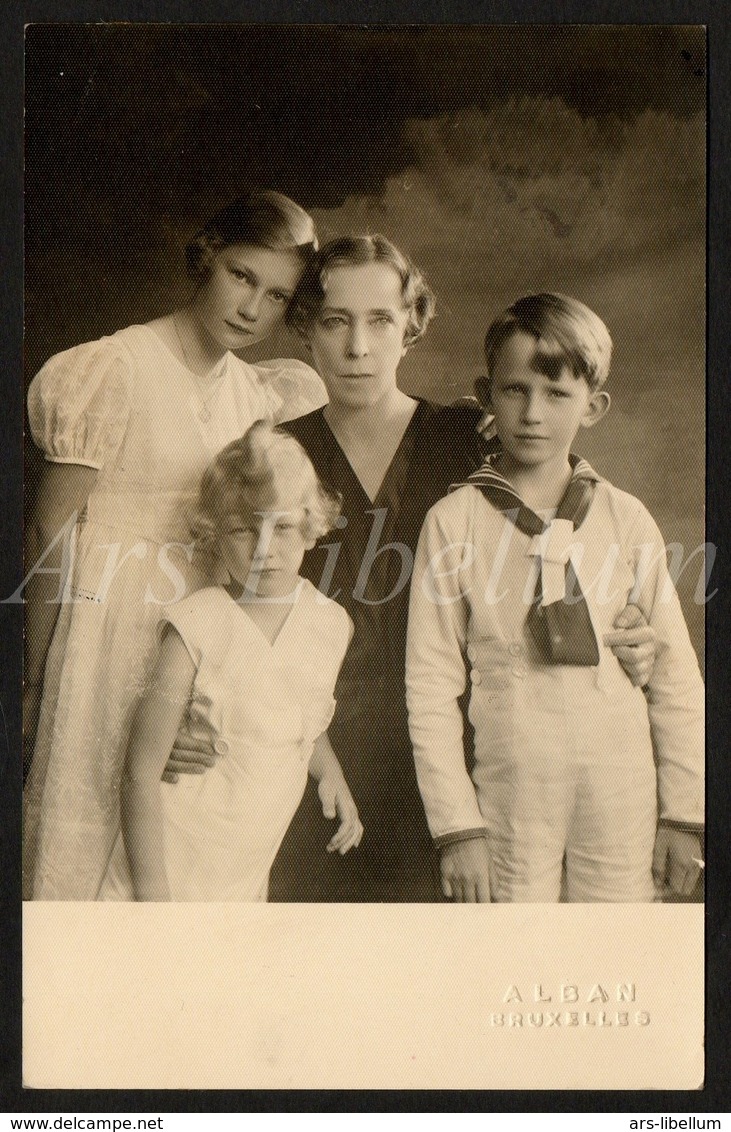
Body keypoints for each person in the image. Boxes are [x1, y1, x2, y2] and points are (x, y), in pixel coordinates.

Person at [167, 238, 657, 903]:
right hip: (304, 751)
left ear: (412, 326)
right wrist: (188, 712)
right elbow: (221, 611)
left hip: (456, 761)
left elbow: (577, 532)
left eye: (379, 321)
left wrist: (628, 623)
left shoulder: (472, 438)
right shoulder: (276, 452)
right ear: (306, 325)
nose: (357, 346)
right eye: (337, 320)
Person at [23, 191, 328, 900]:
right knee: (89, 830)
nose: (253, 308)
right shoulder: (114, 368)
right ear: (206, 257)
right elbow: (49, 530)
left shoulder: (259, 395)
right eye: (241, 276)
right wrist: (36, 678)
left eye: (277, 296)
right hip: (104, 635)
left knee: (181, 844)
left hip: (200, 638)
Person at [405, 293, 704, 903]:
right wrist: (456, 826)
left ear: (593, 406)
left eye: (557, 394)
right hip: (512, 782)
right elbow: (430, 685)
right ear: (486, 396)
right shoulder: (454, 520)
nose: (533, 414)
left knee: (614, 948)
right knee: (512, 950)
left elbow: (674, 675)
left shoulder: (625, 518)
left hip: (621, 782)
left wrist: (684, 812)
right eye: (515, 391)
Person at [98, 423, 361, 901]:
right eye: (242, 529)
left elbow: (299, 713)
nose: (264, 549)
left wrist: (332, 774)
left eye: (281, 526)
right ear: (214, 532)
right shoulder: (195, 625)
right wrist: (154, 898)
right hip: (173, 857)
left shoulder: (331, 624)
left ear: (309, 522)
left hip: (243, 863)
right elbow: (140, 770)